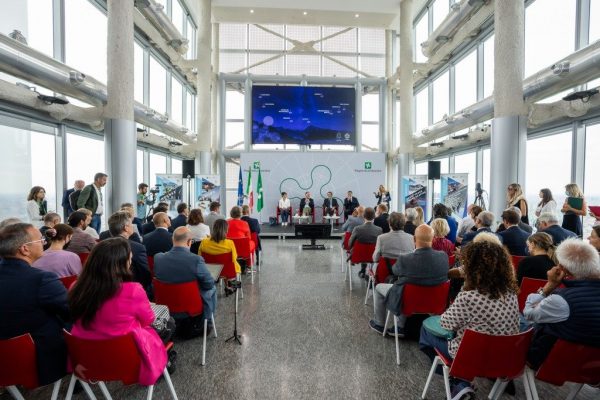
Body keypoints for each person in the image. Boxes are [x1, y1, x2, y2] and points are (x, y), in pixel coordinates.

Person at [419, 241, 519, 399]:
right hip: (503, 356)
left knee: (425, 331)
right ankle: (462, 380)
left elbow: (446, 324)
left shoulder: (469, 296)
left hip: (471, 356)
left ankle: (458, 382)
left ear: (471, 267)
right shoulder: (511, 292)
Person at [69, 238, 168, 386]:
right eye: (130, 259)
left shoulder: (76, 287)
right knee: (167, 324)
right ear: (121, 264)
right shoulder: (133, 290)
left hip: (88, 358)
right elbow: (148, 320)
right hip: (126, 358)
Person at [0, 223, 69, 386]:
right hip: (36, 361)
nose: (44, 243)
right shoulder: (42, 279)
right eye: (40, 240)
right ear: (25, 249)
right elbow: (71, 311)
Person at [524, 238, 600, 370]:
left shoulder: (562, 301)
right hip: (593, 367)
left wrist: (549, 286)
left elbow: (528, 313)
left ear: (563, 269)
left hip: (559, 365)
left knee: (522, 322)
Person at [369, 225, 448, 337]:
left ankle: (380, 324)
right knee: (407, 286)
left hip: (409, 300)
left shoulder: (405, 259)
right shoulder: (443, 256)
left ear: (414, 239)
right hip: (435, 302)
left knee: (380, 287)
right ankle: (399, 326)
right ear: (433, 239)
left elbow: (395, 271)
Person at [154, 227, 217, 331]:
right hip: (191, 309)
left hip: (166, 307)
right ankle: (207, 323)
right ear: (189, 242)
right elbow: (209, 284)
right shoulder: (196, 260)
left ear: (172, 240)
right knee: (212, 288)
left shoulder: (158, 258)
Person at [107, 211, 152, 296]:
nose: (133, 226)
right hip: (131, 292)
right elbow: (145, 275)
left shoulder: (101, 246)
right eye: (131, 224)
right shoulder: (137, 248)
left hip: (107, 290)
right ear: (126, 228)